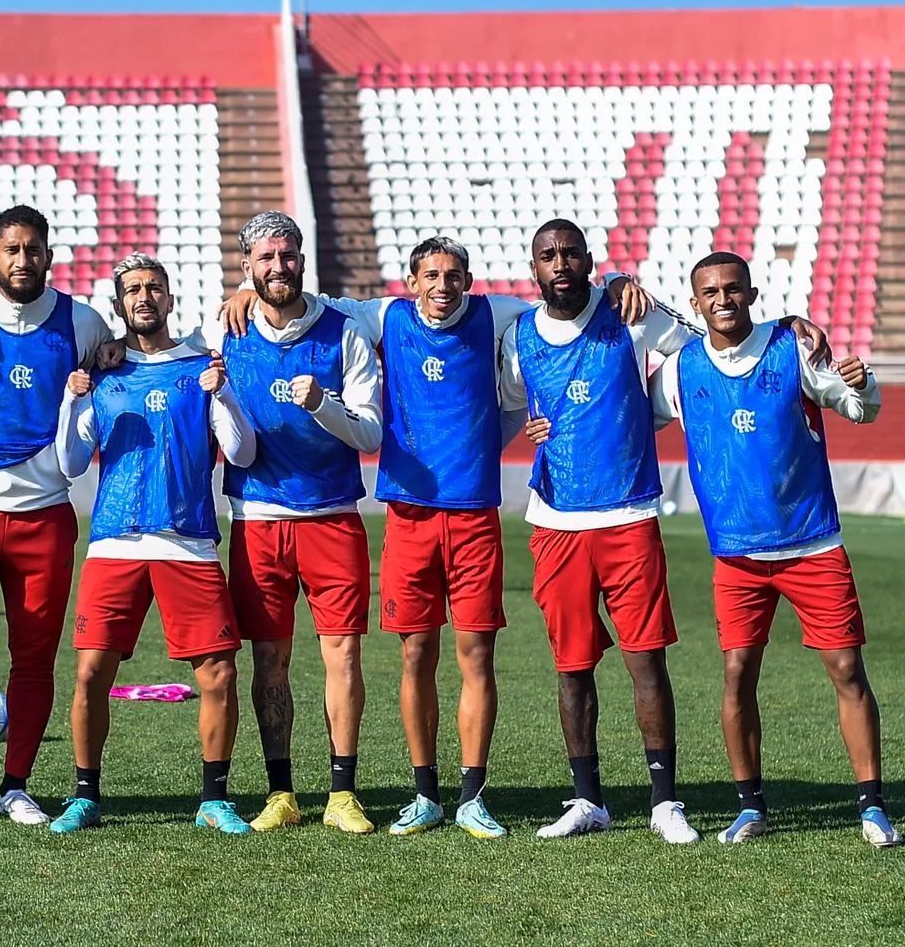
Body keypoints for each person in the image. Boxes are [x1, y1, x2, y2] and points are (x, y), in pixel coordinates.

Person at [223, 234, 653, 838]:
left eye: (454, 275)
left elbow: (563, 300)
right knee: (415, 655)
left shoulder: (496, 313)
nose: (442, 287)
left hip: (475, 513)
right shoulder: (382, 316)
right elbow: (302, 302)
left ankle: (472, 793)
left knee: (477, 655)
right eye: (430, 275)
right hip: (408, 515)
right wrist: (248, 288)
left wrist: (615, 284)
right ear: (411, 279)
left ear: (469, 279)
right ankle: (425, 794)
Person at [499, 218, 827, 843]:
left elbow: (708, 343)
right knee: (571, 665)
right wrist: (536, 427)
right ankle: (586, 799)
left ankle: (664, 801)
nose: (561, 263)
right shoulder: (518, 337)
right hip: (555, 520)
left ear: (591, 260)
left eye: (572, 253)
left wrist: (785, 326)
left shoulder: (631, 311)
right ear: (535, 267)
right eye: (549, 256)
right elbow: (514, 400)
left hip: (627, 515)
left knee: (645, 660)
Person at [650, 251, 901, 847]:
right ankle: (750, 806)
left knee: (846, 669)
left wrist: (865, 386)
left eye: (733, 289)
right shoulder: (679, 371)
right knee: (737, 674)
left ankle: (872, 806)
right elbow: (628, 417)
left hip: (812, 543)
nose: (723, 300)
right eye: (710, 292)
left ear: (753, 293)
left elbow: (857, 408)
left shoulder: (795, 349)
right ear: (695, 303)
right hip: (736, 555)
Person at [0, 204, 119, 828]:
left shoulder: (81, 322)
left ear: (48, 256)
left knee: (33, 659)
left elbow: (119, 366)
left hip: (45, 517)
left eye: (33, 250)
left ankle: (16, 784)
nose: (23, 260)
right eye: (12, 249)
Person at [49, 253, 256, 835]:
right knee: (91, 672)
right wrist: (72, 399)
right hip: (114, 543)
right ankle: (85, 794)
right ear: (119, 306)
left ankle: (214, 798)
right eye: (133, 289)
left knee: (218, 673)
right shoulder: (103, 376)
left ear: (169, 300)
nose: (144, 296)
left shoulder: (200, 367)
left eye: (154, 288)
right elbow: (68, 464)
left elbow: (241, 453)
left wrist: (225, 395)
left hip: (188, 542)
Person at [199, 210, 381, 835]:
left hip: (332, 516)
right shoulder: (222, 330)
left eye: (289, 255)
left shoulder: (344, 330)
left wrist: (322, 404)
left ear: (303, 259)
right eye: (267, 258)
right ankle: (281, 792)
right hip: (256, 518)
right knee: (268, 663)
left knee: (343, 657)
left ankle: (342, 792)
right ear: (246, 267)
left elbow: (371, 431)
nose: (280, 267)